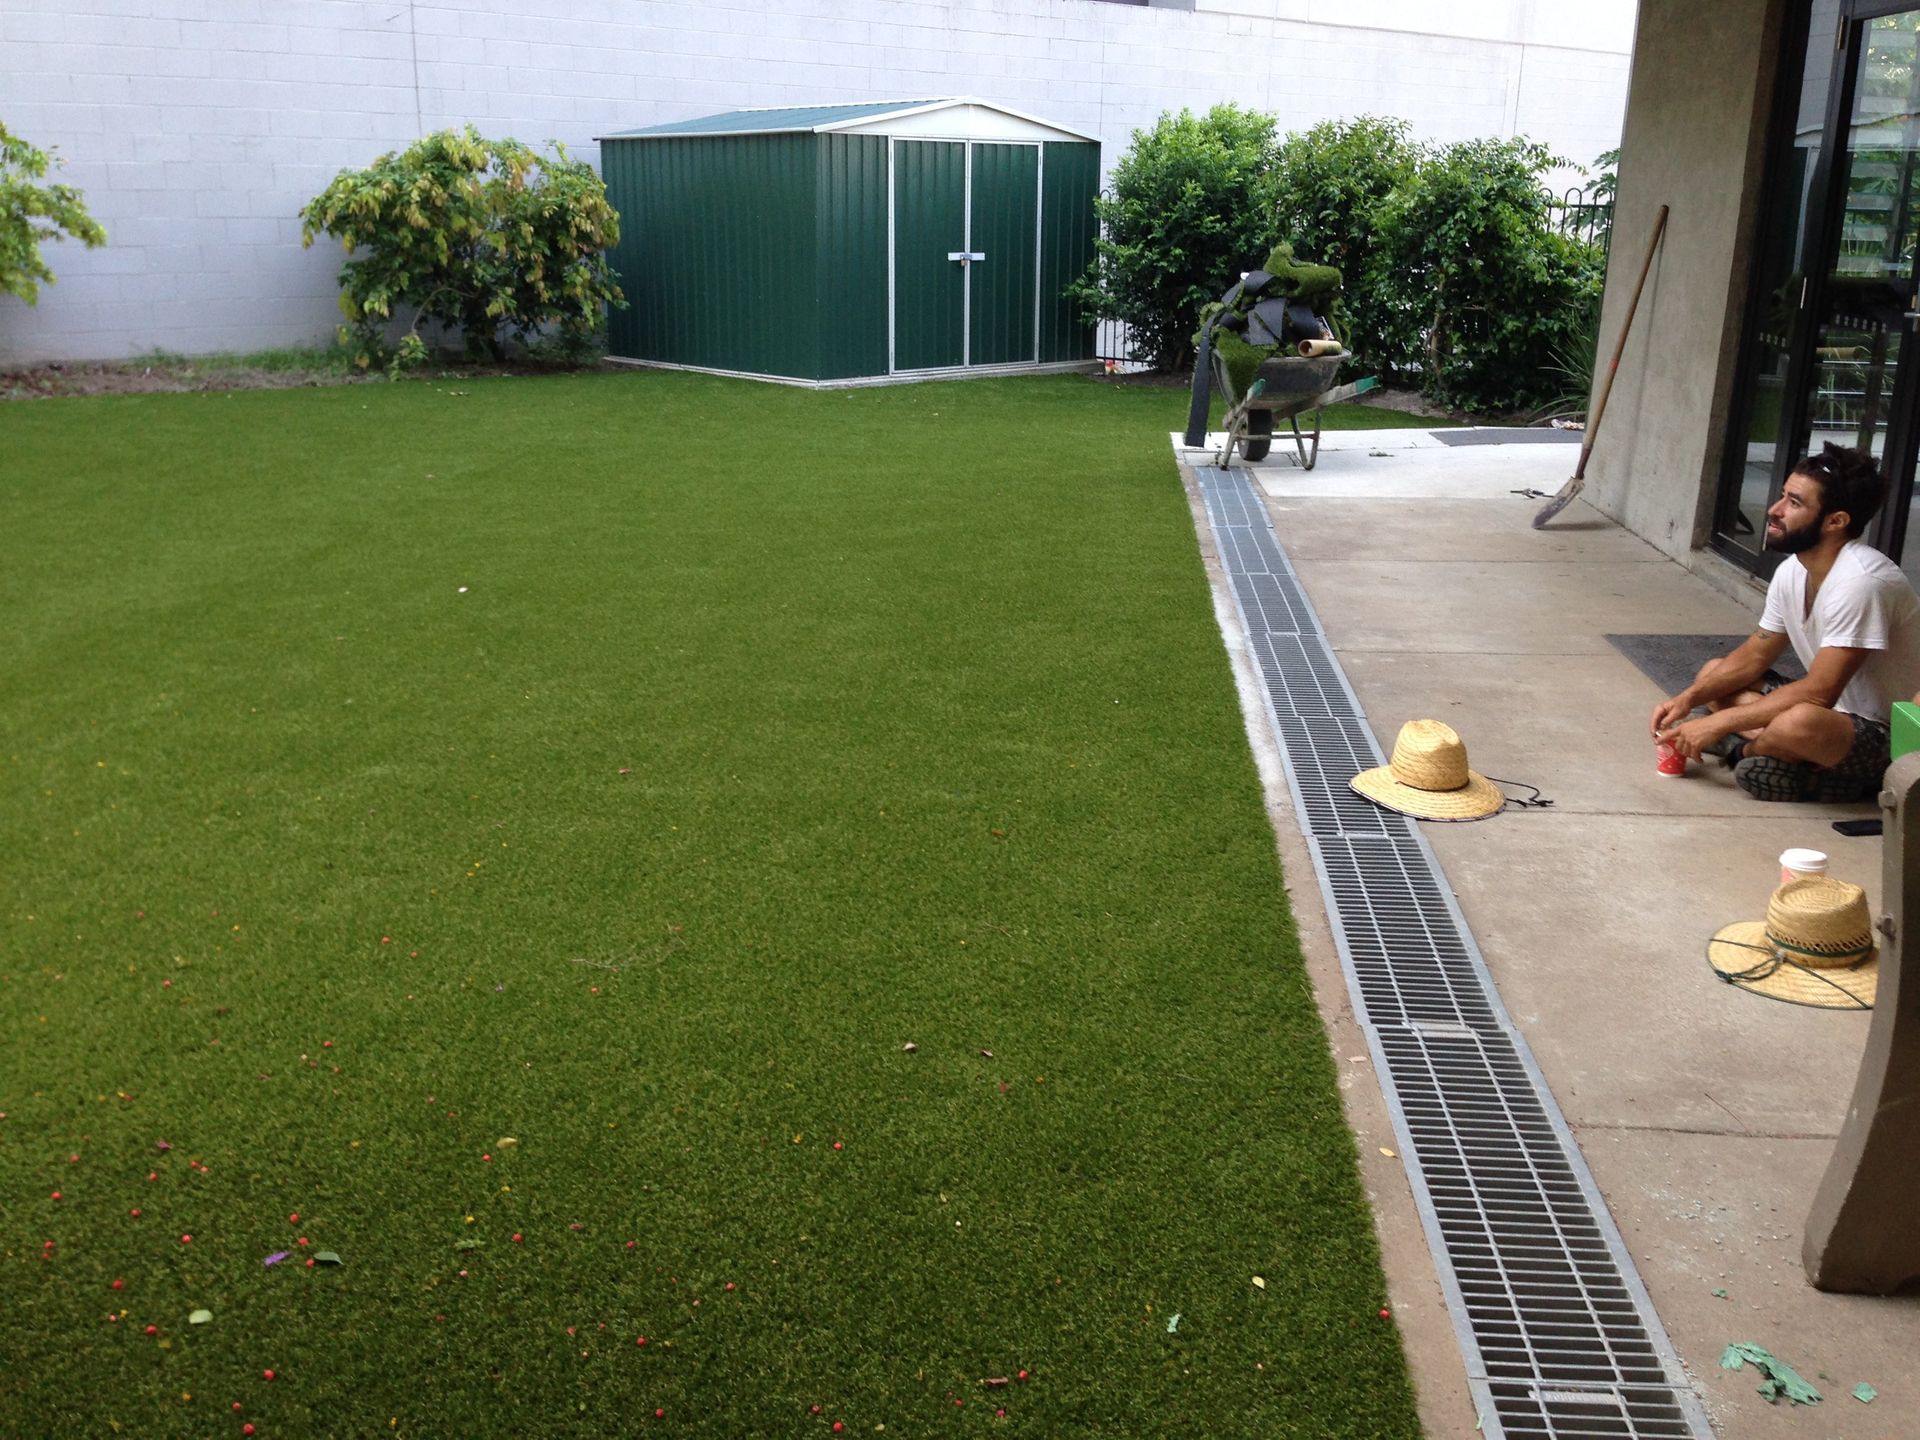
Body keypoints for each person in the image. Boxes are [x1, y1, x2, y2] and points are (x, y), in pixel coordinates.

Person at [1651, 443, 1920, 801]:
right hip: (1833, 713)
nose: (1773, 511)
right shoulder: (1794, 569)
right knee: (1714, 674)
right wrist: (1686, 700)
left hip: (1891, 736)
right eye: (1782, 497)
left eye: (1794, 503)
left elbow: (1819, 691)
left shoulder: (1862, 582)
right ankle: (1786, 753)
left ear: (1835, 521)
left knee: (1798, 723)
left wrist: (1715, 724)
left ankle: (1746, 752)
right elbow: (1753, 658)